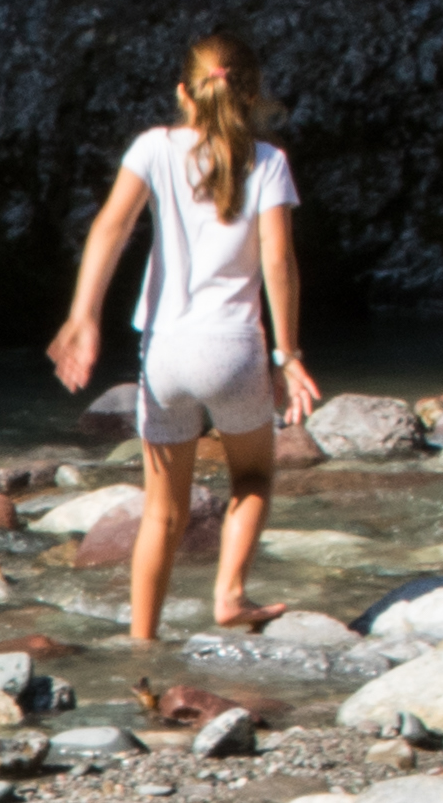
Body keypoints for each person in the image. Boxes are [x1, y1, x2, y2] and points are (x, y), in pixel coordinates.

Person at [48, 33, 318, 641]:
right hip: (234, 348)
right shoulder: (267, 160)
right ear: (251, 96)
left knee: (161, 513)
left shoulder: (153, 147)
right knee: (251, 479)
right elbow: (278, 260)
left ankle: (141, 643)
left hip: (165, 352)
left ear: (183, 93)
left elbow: (110, 229)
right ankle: (229, 593)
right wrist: (289, 352)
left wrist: (82, 315)